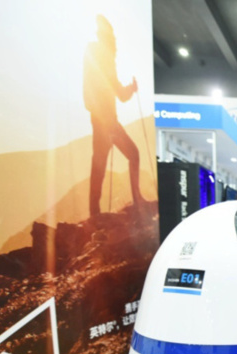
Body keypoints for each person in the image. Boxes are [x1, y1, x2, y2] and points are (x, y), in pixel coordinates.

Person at [83, 15, 145, 217]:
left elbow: (116, 91)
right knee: (121, 158)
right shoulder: (100, 55)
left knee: (100, 164)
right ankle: (132, 199)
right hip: (105, 121)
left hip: (104, 121)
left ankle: (95, 211)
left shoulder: (99, 55)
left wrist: (130, 89)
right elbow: (114, 91)